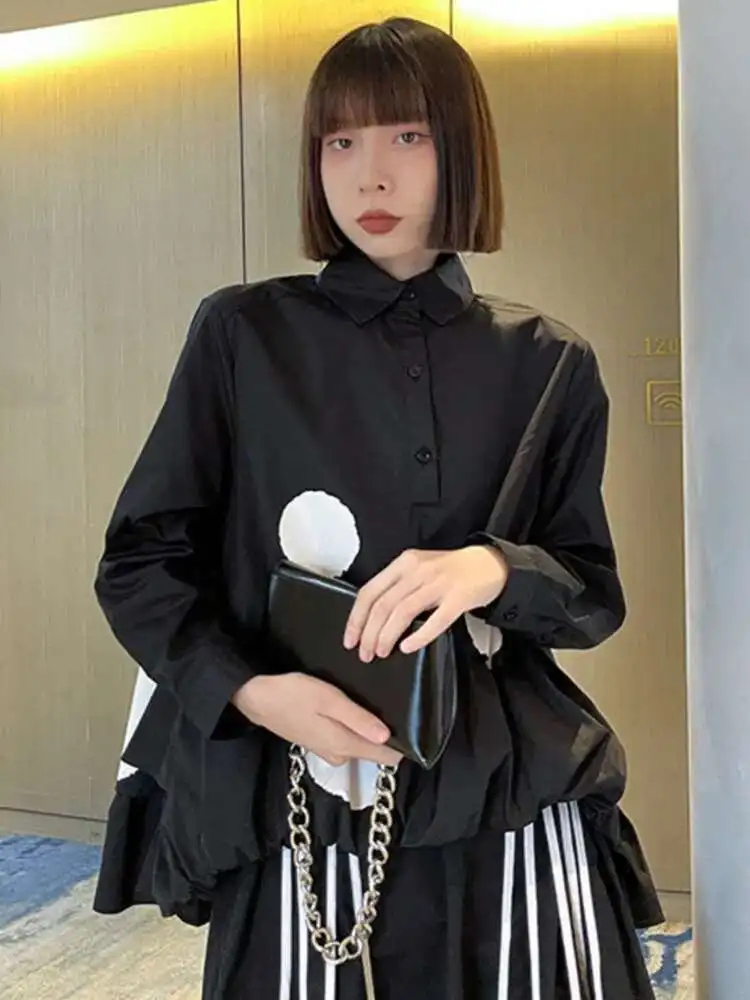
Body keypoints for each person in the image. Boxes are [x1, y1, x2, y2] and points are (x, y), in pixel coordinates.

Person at [92, 16, 664, 1000]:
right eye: (340, 142)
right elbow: (141, 562)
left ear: (461, 147)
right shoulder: (243, 335)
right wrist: (251, 692)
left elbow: (590, 594)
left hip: (503, 792)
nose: (371, 177)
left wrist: (490, 568)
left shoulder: (549, 362)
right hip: (300, 788)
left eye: (407, 135)